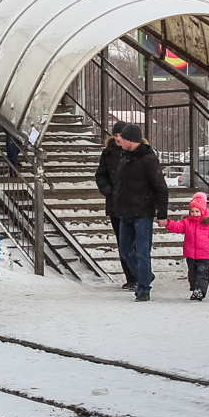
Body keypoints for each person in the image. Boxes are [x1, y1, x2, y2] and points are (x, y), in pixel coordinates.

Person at [112, 124, 169, 302]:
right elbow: (120, 185)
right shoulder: (125, 158)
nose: (119, 140)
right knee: (125, 249)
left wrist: (162, 214)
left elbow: (161, 187)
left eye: (122, 137)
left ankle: (144, 288)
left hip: (143, 211)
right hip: (125, 212)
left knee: (142, 251)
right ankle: (145, 276)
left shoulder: (148, 159)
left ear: (131, 140)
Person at [159, 192, 209, 301]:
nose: (194, 214)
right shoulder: (187, 222)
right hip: (191, 254)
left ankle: (200, 290)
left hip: (204, 254)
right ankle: (195, 289)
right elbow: (178, 227)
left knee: (202, 273)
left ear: (203, 211)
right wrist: (168, 223)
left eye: (197, 211)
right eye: (192, 211)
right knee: (192, 274)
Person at [94, 121, 135, 290]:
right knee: (122, 243)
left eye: (121, 135)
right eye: (116, 135)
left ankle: (139, 275)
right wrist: (109, 192)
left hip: (134, 203)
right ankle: (131, 277)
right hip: (115, 204)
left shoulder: (136, 152)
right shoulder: (108, 153)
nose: (118, 138)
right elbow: (101, 175)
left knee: (134, 241)